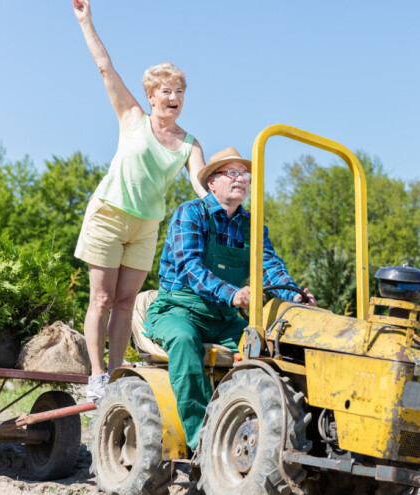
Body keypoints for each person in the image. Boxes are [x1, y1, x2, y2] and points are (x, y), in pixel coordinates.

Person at [72, 0, 208, 401]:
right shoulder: (132, 117)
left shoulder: (189, 143)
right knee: (102, 298)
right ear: (151, 95)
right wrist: (86, 22)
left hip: (146, 226)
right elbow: (105, 67)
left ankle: (116, 373)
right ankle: (96, 375)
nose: (174, 96)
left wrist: (225, 205)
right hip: (109, 215)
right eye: (167, 91)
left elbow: (201, 184)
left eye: (180, 92)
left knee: (126, 302)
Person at [145, 147, 316, 451]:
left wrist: (295, 297)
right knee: (184, 341)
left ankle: (265, 428)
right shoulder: (190, 213)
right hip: (177, 310)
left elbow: (270, 267)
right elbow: (189, 267)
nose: (241, 179)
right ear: (212, 182)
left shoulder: (252, 225)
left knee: (269, 346)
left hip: (223, 319)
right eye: (232, 173)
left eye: (245, 175)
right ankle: (201, 442)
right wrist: (233, 293)